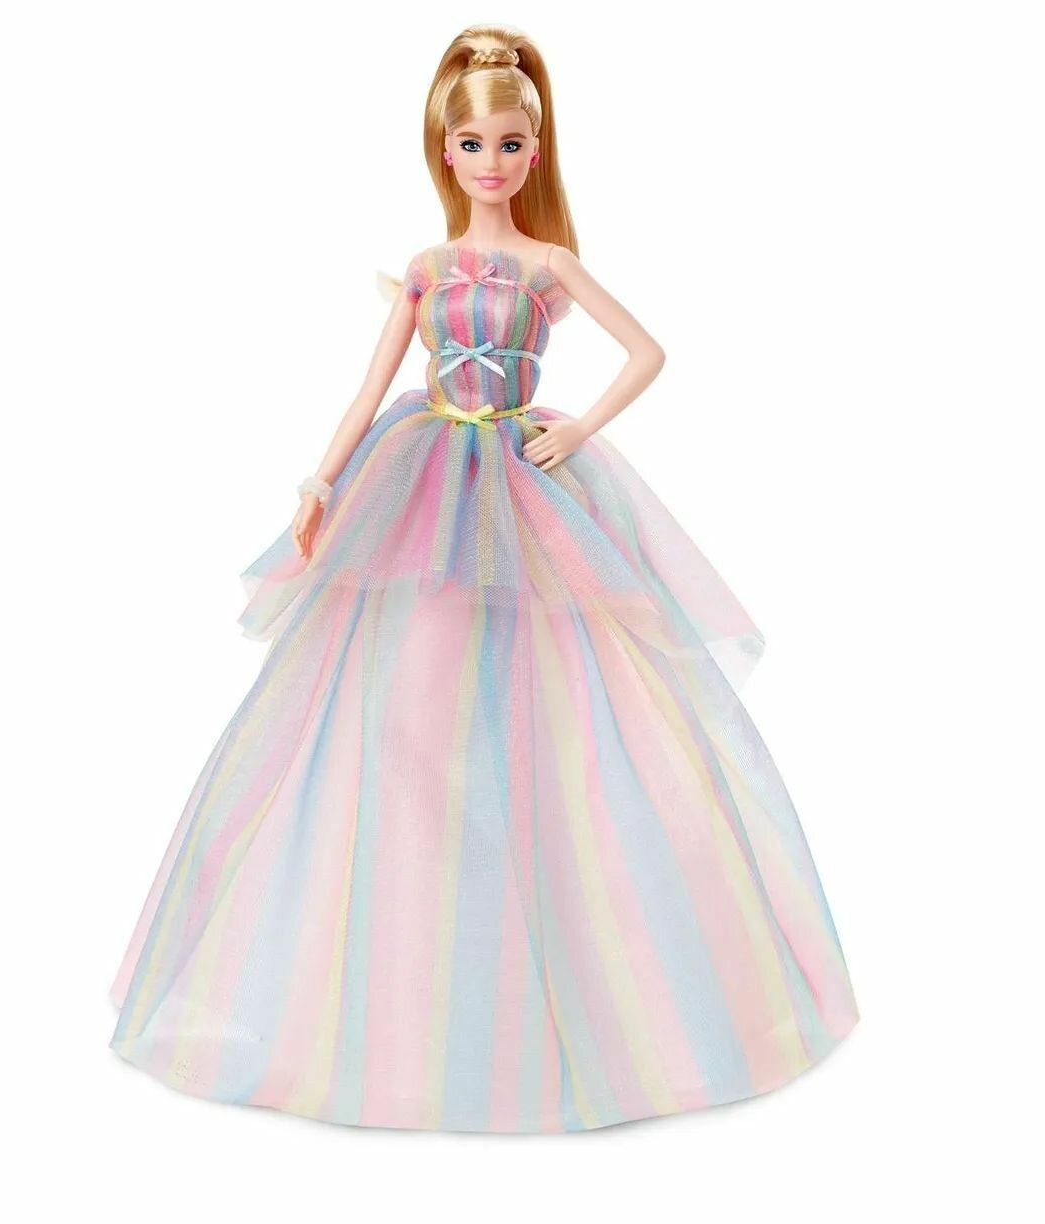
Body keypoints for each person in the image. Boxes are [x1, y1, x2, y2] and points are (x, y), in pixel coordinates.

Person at [108, 23, 859, 1134]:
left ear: (534, 150)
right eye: (473, 145)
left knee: (557, 698)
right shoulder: (424, 269)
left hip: (521, 478)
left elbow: (648, 352)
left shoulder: (548, 268)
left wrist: (578, 431)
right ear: (445, 151)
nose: (492, 162)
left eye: (510, 145)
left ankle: (567, 938)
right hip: (419, 479)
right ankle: (407, 940)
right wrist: (319, 482)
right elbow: (370, 389)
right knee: (400, 700)